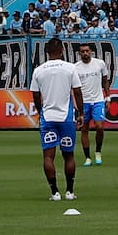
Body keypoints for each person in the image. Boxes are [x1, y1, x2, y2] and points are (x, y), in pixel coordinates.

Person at [30, 37, 83, 202]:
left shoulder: (39, 70)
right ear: (62, 50)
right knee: (69, 155)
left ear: (47, 51)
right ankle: (69, 191)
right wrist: (80, 113)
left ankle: (55, 192)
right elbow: (78, 92)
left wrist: (40, 112)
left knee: (48, 156)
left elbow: (36, 95)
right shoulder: (70, 68)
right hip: (66, 118)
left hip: (48, 118)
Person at [74, 43, 110, 164]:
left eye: (87, 51)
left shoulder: (100, 63)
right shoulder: (75, 67)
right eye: (82, 51)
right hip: (84, 103)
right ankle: (88, 157)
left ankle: (98, 152)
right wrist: (75, 104)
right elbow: (74, 88)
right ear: (79, 53)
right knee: (84, 129)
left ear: (91, 52)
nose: (85, 53)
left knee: (99, 126)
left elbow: (105, 81)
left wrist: (108, 97)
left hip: (98, 100)